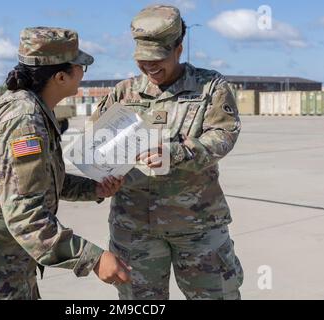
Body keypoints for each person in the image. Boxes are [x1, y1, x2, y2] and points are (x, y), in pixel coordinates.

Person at [0, 27, 130, 300]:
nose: (82, 75)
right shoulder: (24, 121)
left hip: (5, 260)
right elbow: (26, 218)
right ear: (61, 76)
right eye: (81, 69)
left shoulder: (30, 105)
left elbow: (38, 181)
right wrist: (94, 259)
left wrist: (95, 189)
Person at [91, 5, 244, 300]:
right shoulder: (123, 92)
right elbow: (97, 142)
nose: (149, 67)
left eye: (157, 59)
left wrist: (176, 153)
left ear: (178, 49)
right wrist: (100, 177)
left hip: (197, 226)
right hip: (134, 229)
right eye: (142, 60)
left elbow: (224, 135)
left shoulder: (210, 86)